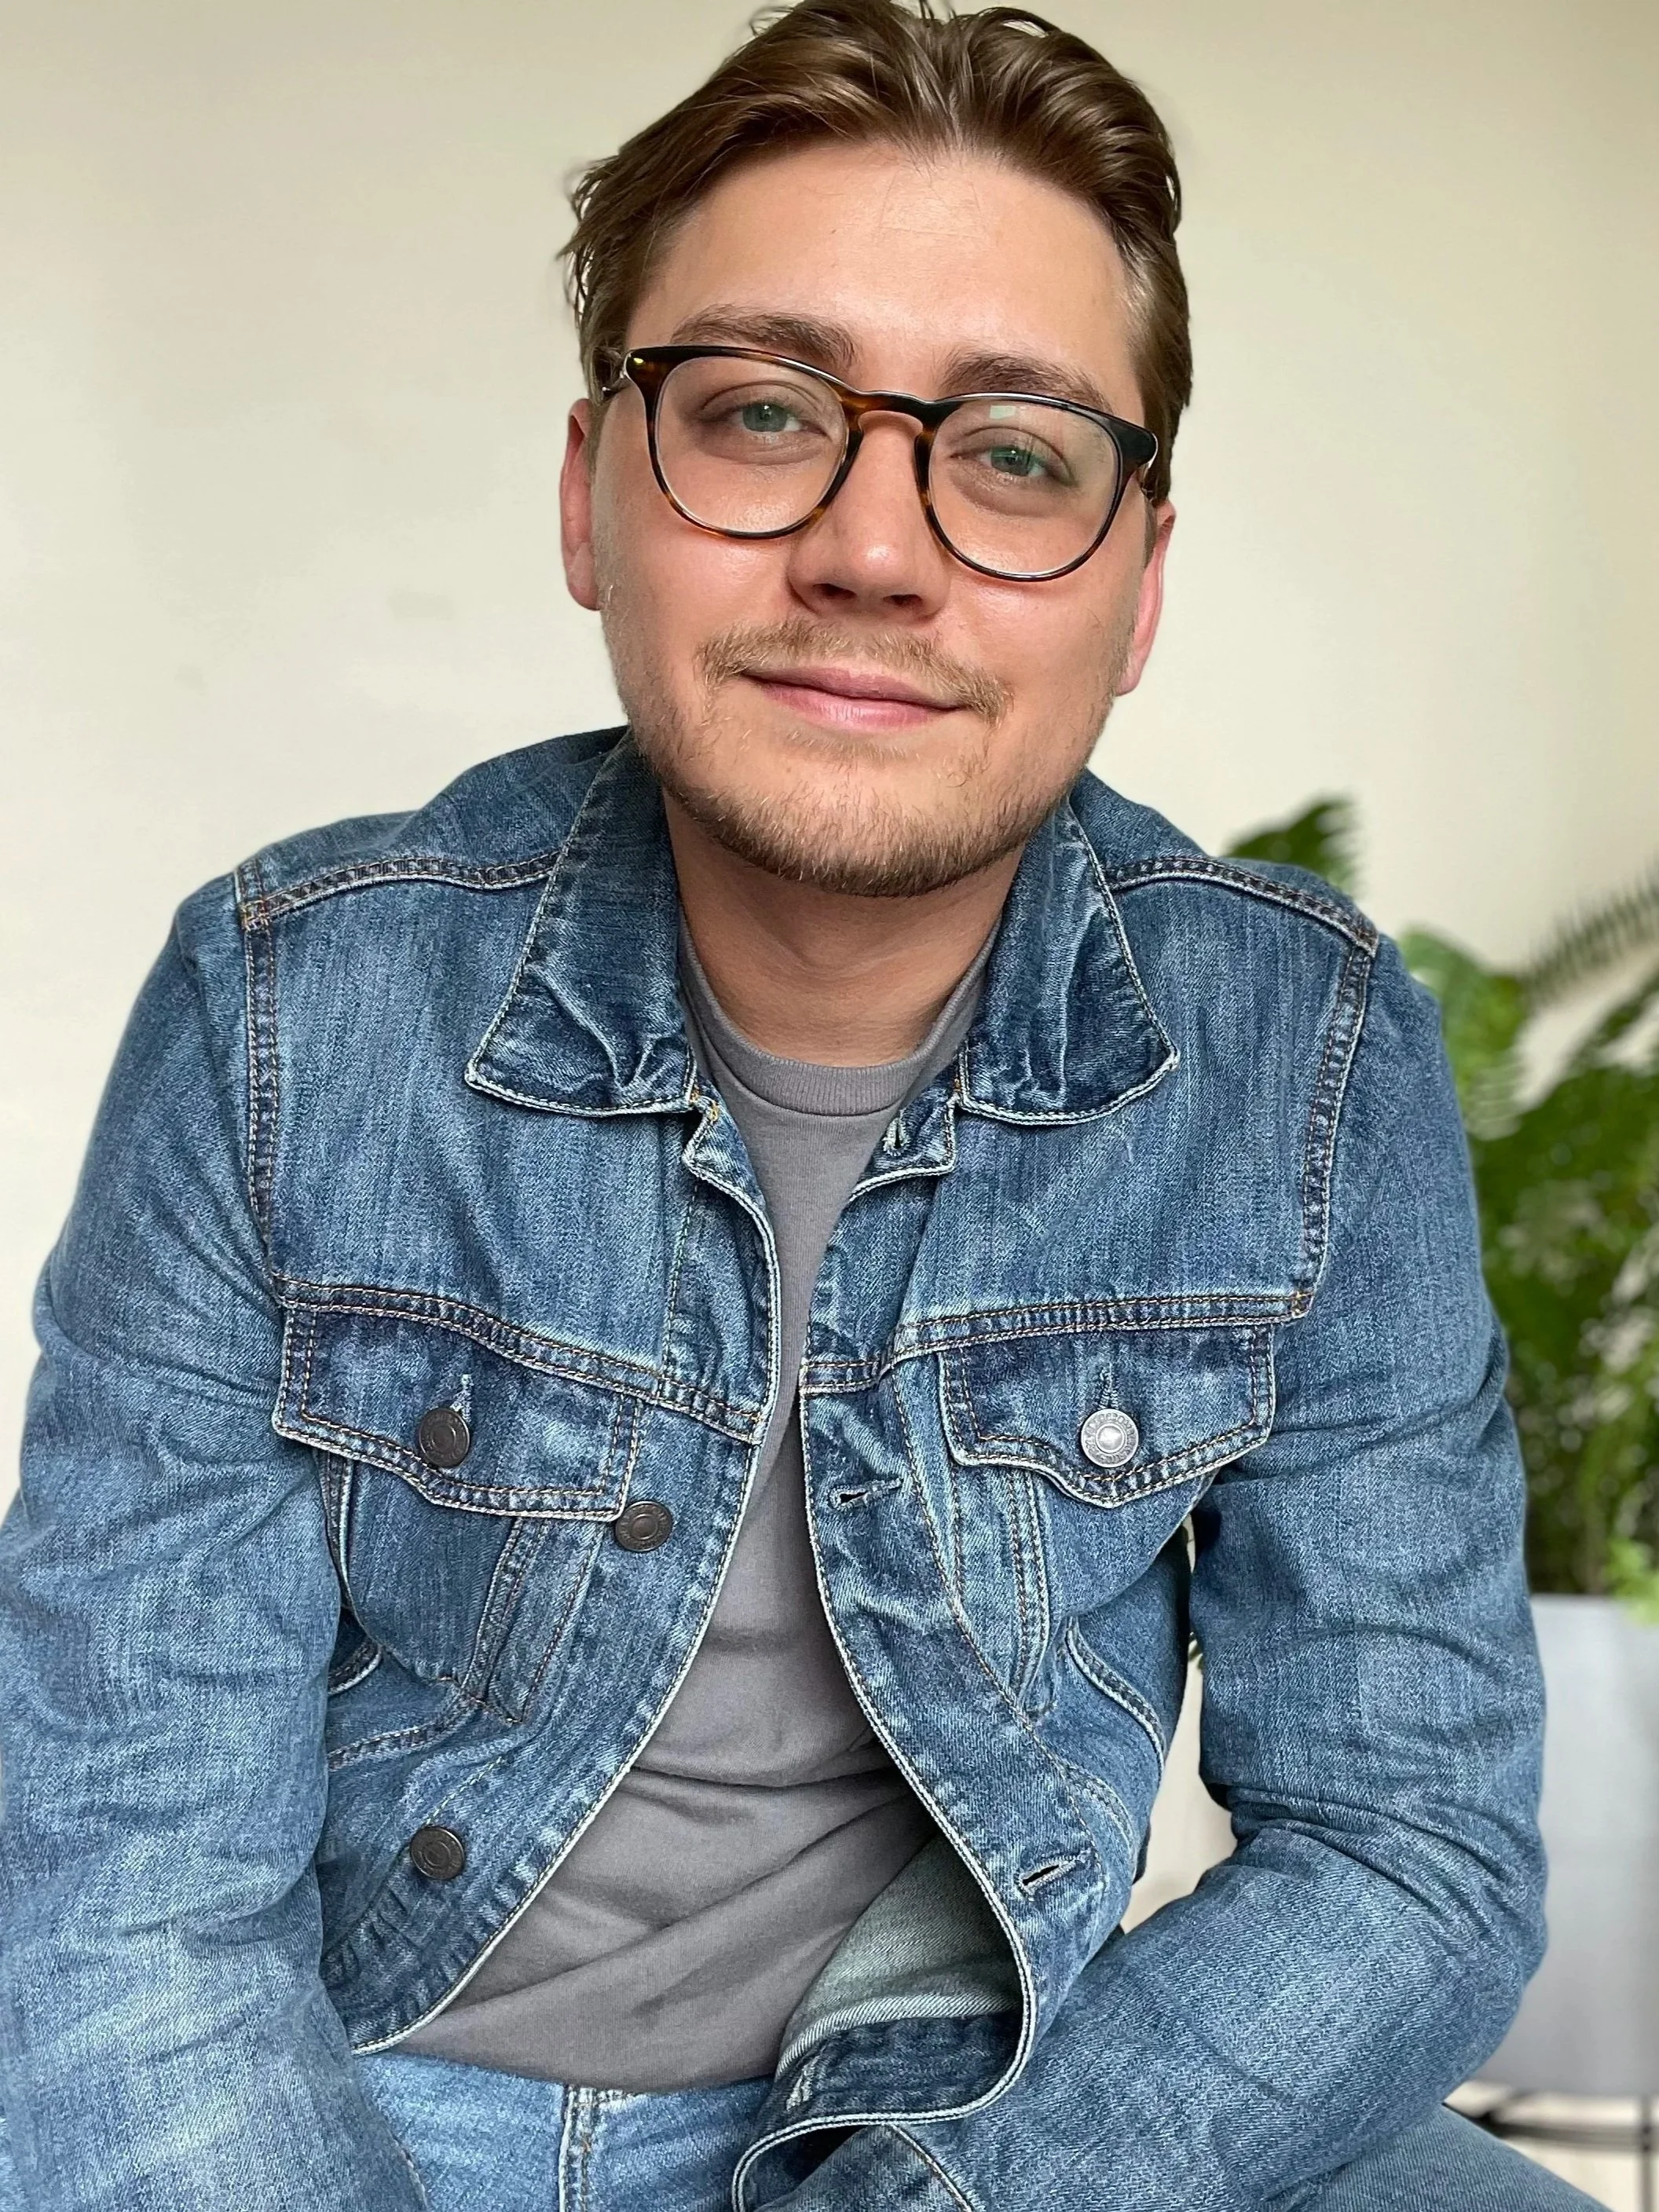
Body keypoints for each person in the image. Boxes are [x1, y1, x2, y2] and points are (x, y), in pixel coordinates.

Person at [0, 2, 1595, 2207]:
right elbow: (120, 1880)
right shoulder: (293, 1001)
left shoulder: (1300, 1055)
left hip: (990, 2114)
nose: (872, 550)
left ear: (1139, 582)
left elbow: (1406, 1846)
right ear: (591, 497)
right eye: (760, 411)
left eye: (1016, 454)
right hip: (349, 2079)